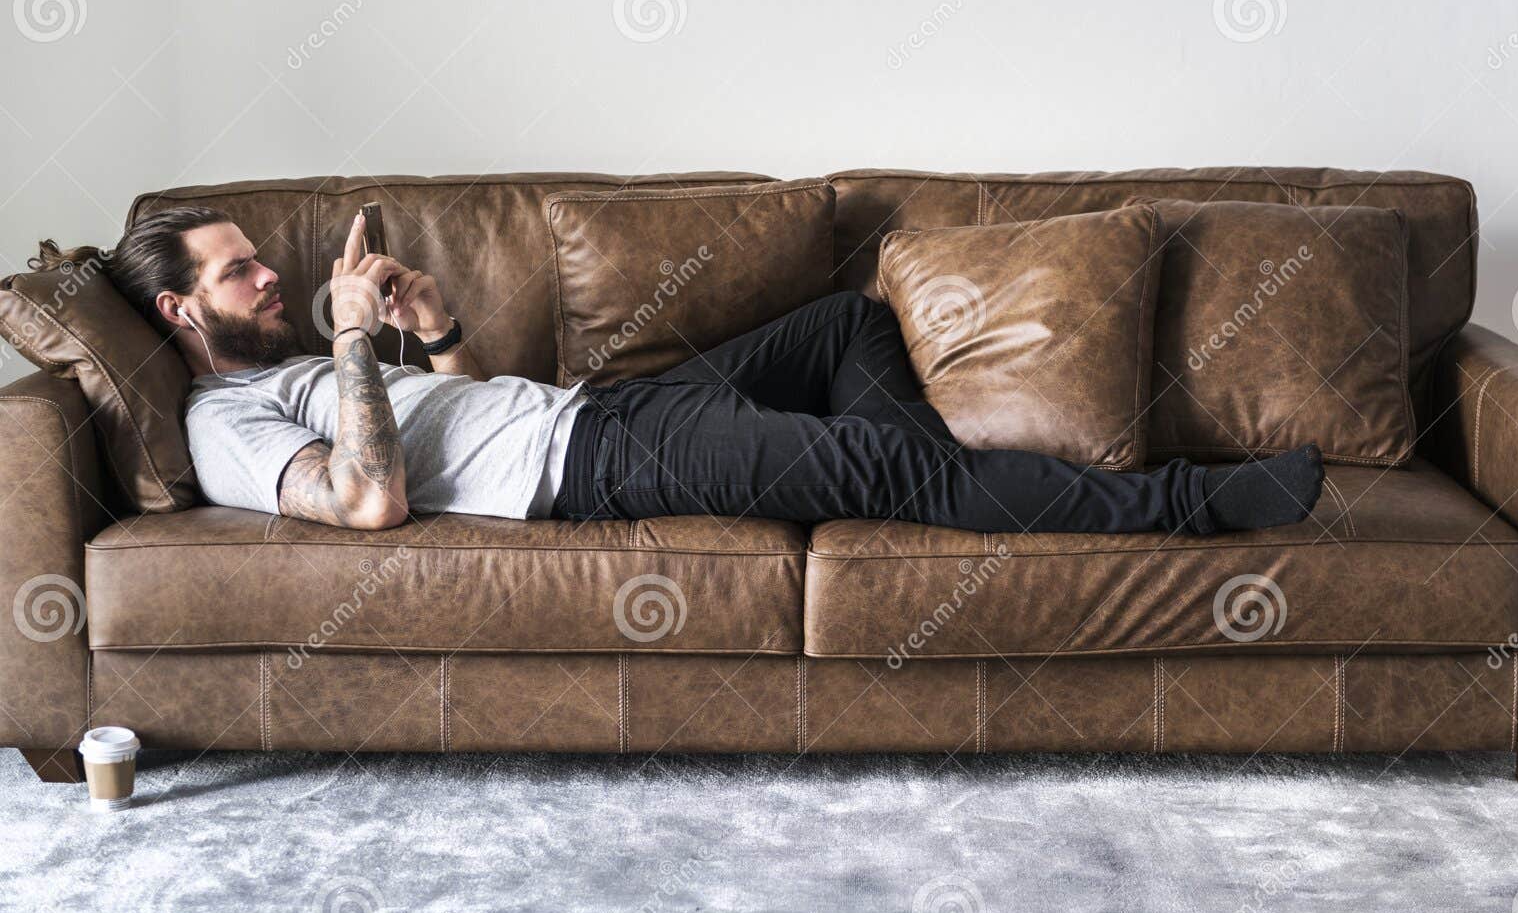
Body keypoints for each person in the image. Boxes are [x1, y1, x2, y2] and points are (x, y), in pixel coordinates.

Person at [106, 205, 1324, 535]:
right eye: (240, 275)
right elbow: (369, 499)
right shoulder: (226, 424)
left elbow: (464, 408)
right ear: (180, 309)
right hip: (592, 468)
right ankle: (1191, 505)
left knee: (849, 326)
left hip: (604, 409)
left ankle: (945, 484)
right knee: (869, 462)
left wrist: (428, 330)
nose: (270, 279)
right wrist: (355, 341)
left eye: (261, 264)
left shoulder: (313, 358)